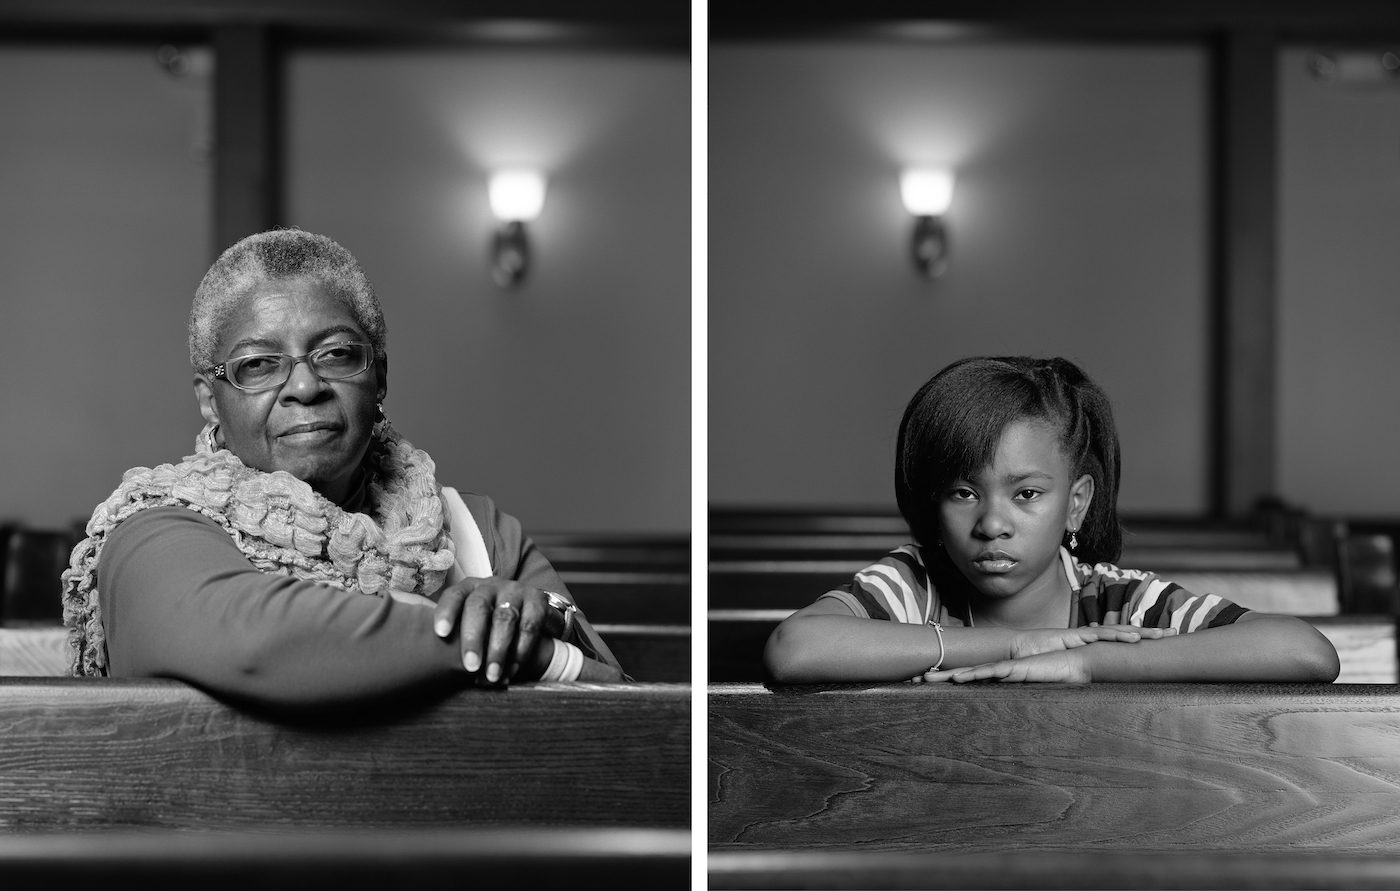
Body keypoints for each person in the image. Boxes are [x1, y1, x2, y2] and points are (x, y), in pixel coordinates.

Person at [61, 228, 624, 707]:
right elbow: (250, 642)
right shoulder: (155, 528)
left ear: (379, 376)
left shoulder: (476, 531)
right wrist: (493, 643)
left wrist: (531, 633)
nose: (305, 387)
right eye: (258, 364)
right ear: (212, 401)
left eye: (335, 353)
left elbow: (618, 698)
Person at [764, 355, 1341, 685]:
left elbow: (1306, 652)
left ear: (1076, 502)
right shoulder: (916, 584)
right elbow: (796, 649)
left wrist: (1086, 661)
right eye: (963, 492)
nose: (992, 523)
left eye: (1027, 494)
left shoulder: (1118, 605)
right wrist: (1015, 646)